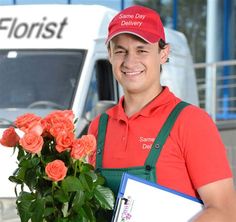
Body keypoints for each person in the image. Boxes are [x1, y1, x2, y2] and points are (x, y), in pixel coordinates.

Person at [88, 5, 236, 221]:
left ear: (163, 53)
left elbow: (225, 211)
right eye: (121, 51)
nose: (130, 62)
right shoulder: (98, 127)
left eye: (142, 50)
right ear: (110, 55)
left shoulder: (191, 122)